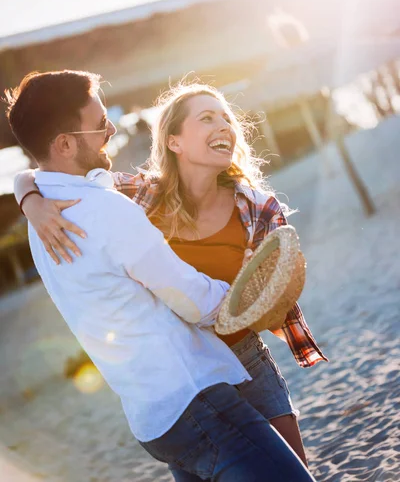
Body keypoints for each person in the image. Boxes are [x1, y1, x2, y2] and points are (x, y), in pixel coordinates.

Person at [7, 70, 317, 482]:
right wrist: (243, 297)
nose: (111, 129)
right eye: (100, 123)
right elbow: (196, 301)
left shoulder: (45, 218)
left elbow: (39, 177)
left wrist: (26, 193)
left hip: (156, 416)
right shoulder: (114, 205)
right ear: (64, 144)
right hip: (196, 395)